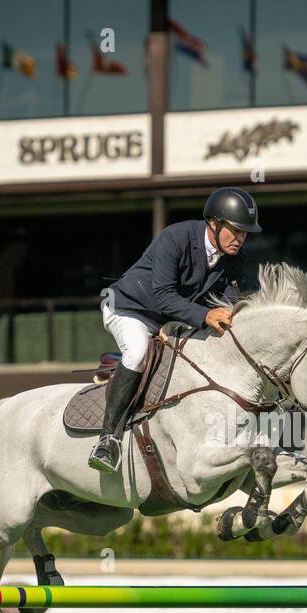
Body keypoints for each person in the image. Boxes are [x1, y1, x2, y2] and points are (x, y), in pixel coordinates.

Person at [88, 186, 261, 473]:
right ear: (214, 224)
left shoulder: (235, 259)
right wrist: (206, 315)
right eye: (236, 231)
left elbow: (230, 304)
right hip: (129, 308)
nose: (241, 239)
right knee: (138, 353)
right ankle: (108, 441)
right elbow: (165, 297)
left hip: (170, 319)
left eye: (245, 233)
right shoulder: (176, 238)